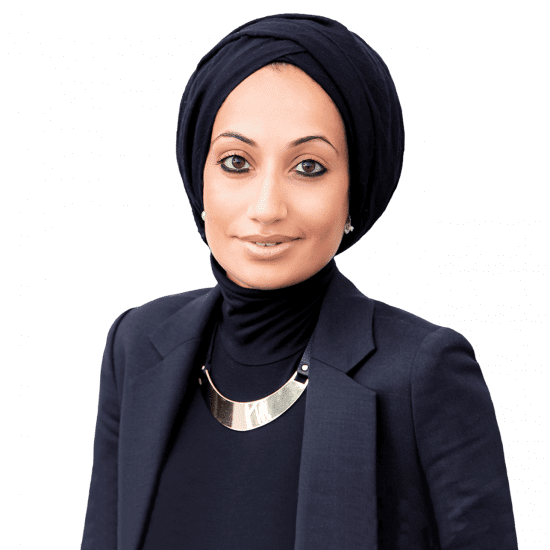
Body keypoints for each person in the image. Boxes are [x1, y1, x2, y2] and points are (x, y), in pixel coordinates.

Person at [80, 13, 519, 550]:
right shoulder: (137, 345)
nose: (266, 208)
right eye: (236, 162)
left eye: (309, 167)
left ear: (354, 193)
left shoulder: (422, 373)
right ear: (200, 179)